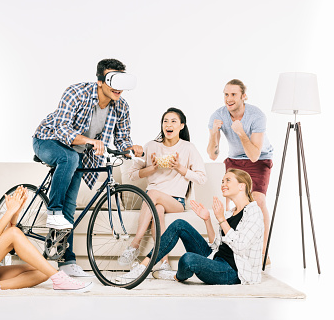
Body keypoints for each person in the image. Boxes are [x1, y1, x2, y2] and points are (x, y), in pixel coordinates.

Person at [32, 58, 143, 277]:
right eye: (113, 80)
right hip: (47, 140)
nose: (119, 87)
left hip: (76, 153)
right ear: (101, 81)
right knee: (70, 159)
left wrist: (132, 148)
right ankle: (53, 211)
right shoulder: (76, 93)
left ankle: (67, 261)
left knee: (70, 206)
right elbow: (62, 129)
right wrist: (90, 142)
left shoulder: (121, 106)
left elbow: (121, 140)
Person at [0, 150, 92, 296]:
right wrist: (9, 211)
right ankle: (60, 280)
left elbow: (4, 239)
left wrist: (15, 212)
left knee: (42, 270)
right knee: (20, 241)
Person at [126, 168, 264, 285]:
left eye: (228, 180)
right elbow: (215, 246)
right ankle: (143, 267)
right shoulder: (230, 213)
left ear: (242, 186)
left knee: (188, 259)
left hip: (232, 271)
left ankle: (176, 276)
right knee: (179, 224)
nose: (223, 184)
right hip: (216, 260)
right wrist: (207, 219)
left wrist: (221, 219)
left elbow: (240, 247)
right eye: (222, 181)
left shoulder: (253, 212)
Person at [117, 107, 207, 279]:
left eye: (173, 121)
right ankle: (164, 263)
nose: (168, 124)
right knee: (157, 209)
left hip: (176, 202)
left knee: (152, 194)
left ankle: (134, 245)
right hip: (154, 201)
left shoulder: (188, 148)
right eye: (165, 121)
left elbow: (202, 178)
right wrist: (152, 168)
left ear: (181, 126)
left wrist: (180, 168)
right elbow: (133, 174)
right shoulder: (151, 146)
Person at [207, 79, 273, 262]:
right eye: (226, 94)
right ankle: (230, 249)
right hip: (235, 160)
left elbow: (253, 155)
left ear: (244, 96)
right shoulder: (218, 115)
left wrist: (241, 132)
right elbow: (213, 155)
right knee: (228, 204)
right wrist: (214, 134)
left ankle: (263, 252)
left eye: (233, 94)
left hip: (259, 159)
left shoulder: (256, 116)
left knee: (258, 201)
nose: (229, 99)